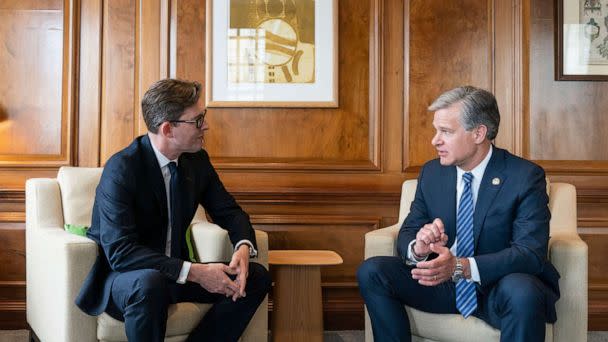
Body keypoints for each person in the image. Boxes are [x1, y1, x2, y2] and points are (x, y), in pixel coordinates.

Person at [357, 86, 560, 342]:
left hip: (496, 287)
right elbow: (409, 230)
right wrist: (419, 247)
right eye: (436, 130)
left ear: (478, 133)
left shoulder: (524, 177)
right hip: (442, 285)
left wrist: (461, 267)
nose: (435, 140)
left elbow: (530, 254)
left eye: (446, 131)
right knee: (373, 270)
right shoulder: (432, 173)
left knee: (523, 291)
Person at [75, 78, 271, 341]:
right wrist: (196, 272)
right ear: (168, 129)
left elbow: (229, 211)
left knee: (256, 277)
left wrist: (243, 247)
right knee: (149, 283)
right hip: (126, 280)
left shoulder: (196, 161)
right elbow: (121, 253)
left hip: (177, 275)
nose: (206, 125)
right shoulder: (122, 169)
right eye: (197, 120)